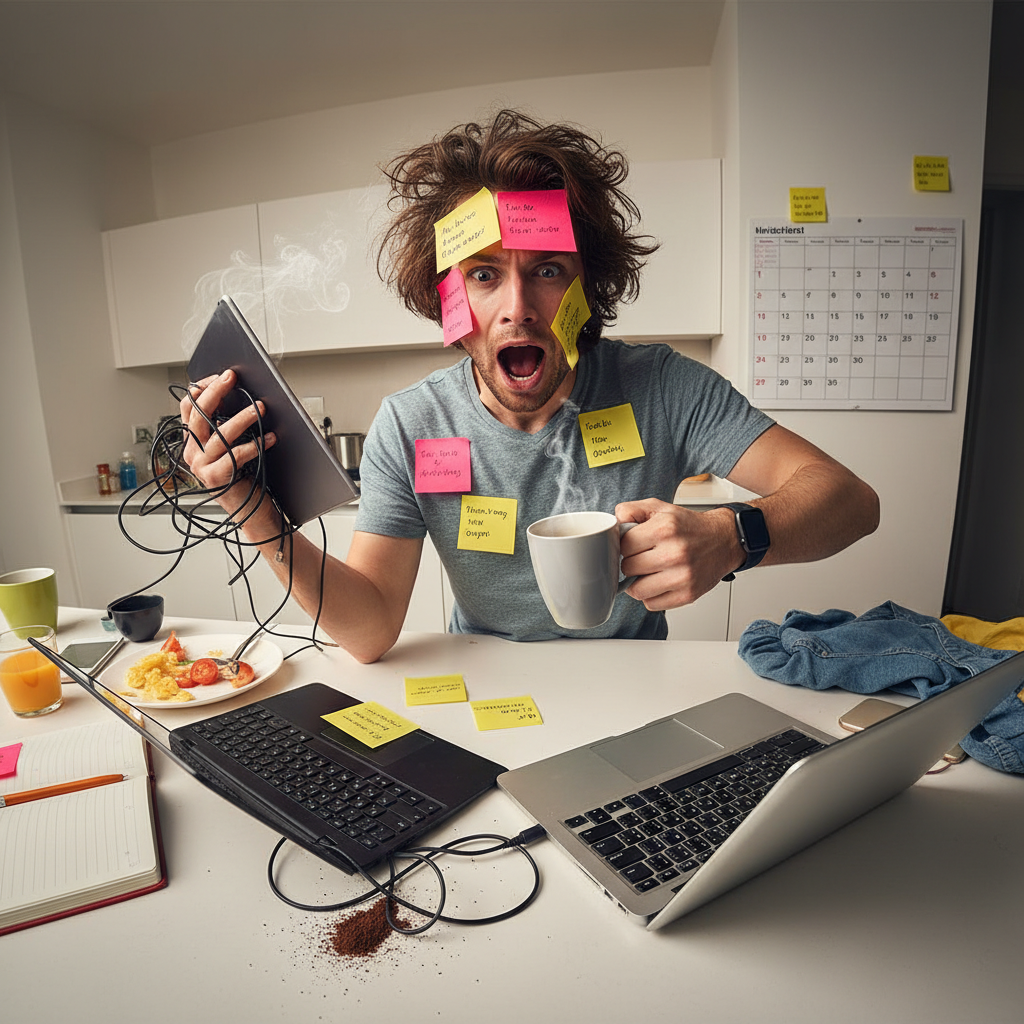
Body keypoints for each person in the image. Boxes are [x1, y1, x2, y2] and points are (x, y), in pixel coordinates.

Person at [181, 110, 879, 664]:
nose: (518, 306)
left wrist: (735, 535)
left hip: (635, 684)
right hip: (484, 688)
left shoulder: (663, 386)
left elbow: (850, 500)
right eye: (483, 275)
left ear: (587, 286)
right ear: (448, 304)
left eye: (547, 269)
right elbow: (367, 632)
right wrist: (252, 508)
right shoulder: (411, 424)